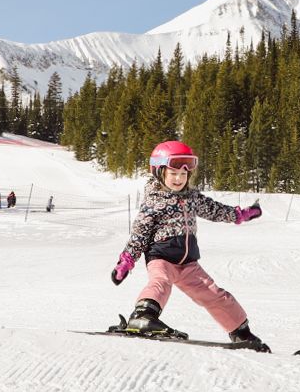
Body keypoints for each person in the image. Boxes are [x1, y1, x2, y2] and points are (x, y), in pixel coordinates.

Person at [109, 140, 268, 350]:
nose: (178, 179)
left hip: (189, 264)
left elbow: (215, 210)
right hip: (161, 257)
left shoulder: (192, 198)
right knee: (161, 282)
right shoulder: (155, 201)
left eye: (183, 175)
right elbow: (139, 234)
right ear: (159, 173)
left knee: (215, 294)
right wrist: (126, 261)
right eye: (173, 174)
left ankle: (241, 332)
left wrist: (241, 214)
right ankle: (143, 316)